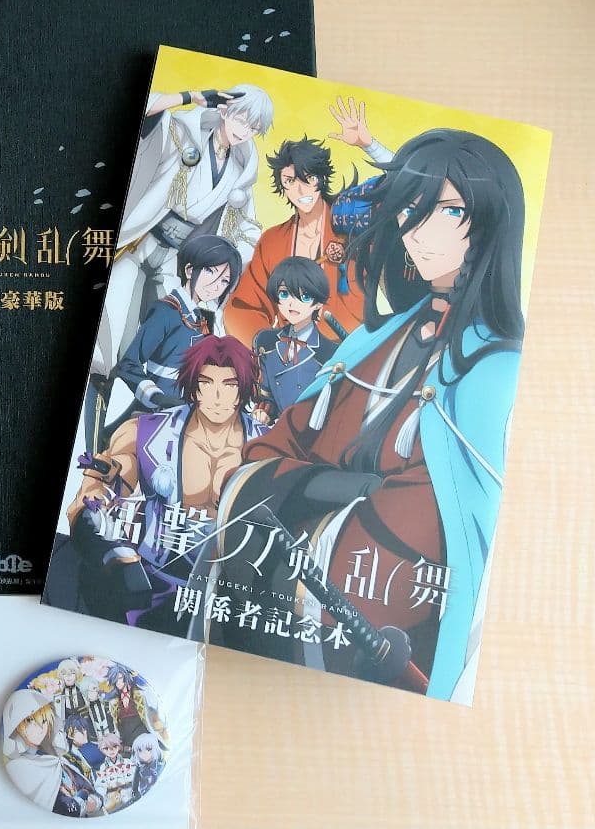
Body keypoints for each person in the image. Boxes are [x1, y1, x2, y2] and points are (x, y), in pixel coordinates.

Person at [187, 126, 526, 702]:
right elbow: (270, 449)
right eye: (411, 211)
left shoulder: (495, 370)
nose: (419, 232)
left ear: (493, 219)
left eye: (448, 210)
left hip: (380, 638)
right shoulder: (369, 341)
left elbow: (430, 521)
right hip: (279, 608)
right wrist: (341, 485)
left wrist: (307, 489)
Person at [68, 335, 268, 630]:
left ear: (244, 388)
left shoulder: (269, 447)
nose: (217, 397)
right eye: (207, 383)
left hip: (231, 599)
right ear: (193, 386)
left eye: (229, 385)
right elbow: (95, 494)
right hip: (154, 586)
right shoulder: (148, 432)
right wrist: (113, 551)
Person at [91, 84, 274, 388]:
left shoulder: (240, 172)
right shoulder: (183, 132)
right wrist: (189, 97)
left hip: (178, 259)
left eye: (253, 127)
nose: (245, 131)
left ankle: (134, 389)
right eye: (242, 119)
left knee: (173, 324)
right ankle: (98, 380)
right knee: (115, 310)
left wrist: (231, 260)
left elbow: (248, 228)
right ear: (225, 110)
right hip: (141, 241)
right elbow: (145, 111)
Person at [225, 136, 365, 346]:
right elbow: (244, 307)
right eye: (290, 181)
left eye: (308, 178)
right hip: (293, 353)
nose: (300, 190)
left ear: (321, 179)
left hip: (351, 350)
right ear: (282, 186)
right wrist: (266, 345)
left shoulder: (352, 226)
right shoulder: (273, 241)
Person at [107, 235, 242, 441]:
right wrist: (157, 397)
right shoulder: (166, 311)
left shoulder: (205, 317)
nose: (216, 285)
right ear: (189, 270)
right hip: (157, 410)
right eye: (210, 271)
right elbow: (128, 364)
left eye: (224, 280)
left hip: (191, 412)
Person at [252, 257, 338, 425]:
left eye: (304, 296)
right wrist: (263, 412)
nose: (292, 303)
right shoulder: (266, 342)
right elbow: (266, 396)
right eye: (284, 294)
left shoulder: (329, 352)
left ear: (318, 304)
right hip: (275, 430)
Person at [2, 689, 103, 817]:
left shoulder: (57, 761)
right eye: (31, 722)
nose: (40, 729)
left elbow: (92, 792)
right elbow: (68, 809)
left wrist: (92, 800)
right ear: (16, 726)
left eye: (44, 721)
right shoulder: (18, 767)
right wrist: (83, 797)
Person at [106, 665, 166, 751]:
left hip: (141, 733)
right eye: (115, 680)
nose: (118, 682)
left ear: (126, 677)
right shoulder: (114, 701)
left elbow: (153, 710)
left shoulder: (140, 694)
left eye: (120, 678)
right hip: (126, 737)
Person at [130, 733, 165, 801]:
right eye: (140, 750)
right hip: (143, 797)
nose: (144, 753)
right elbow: (135, 781)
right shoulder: (140, 767)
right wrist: (135, 792)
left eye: (148, 749)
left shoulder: (159, 765)